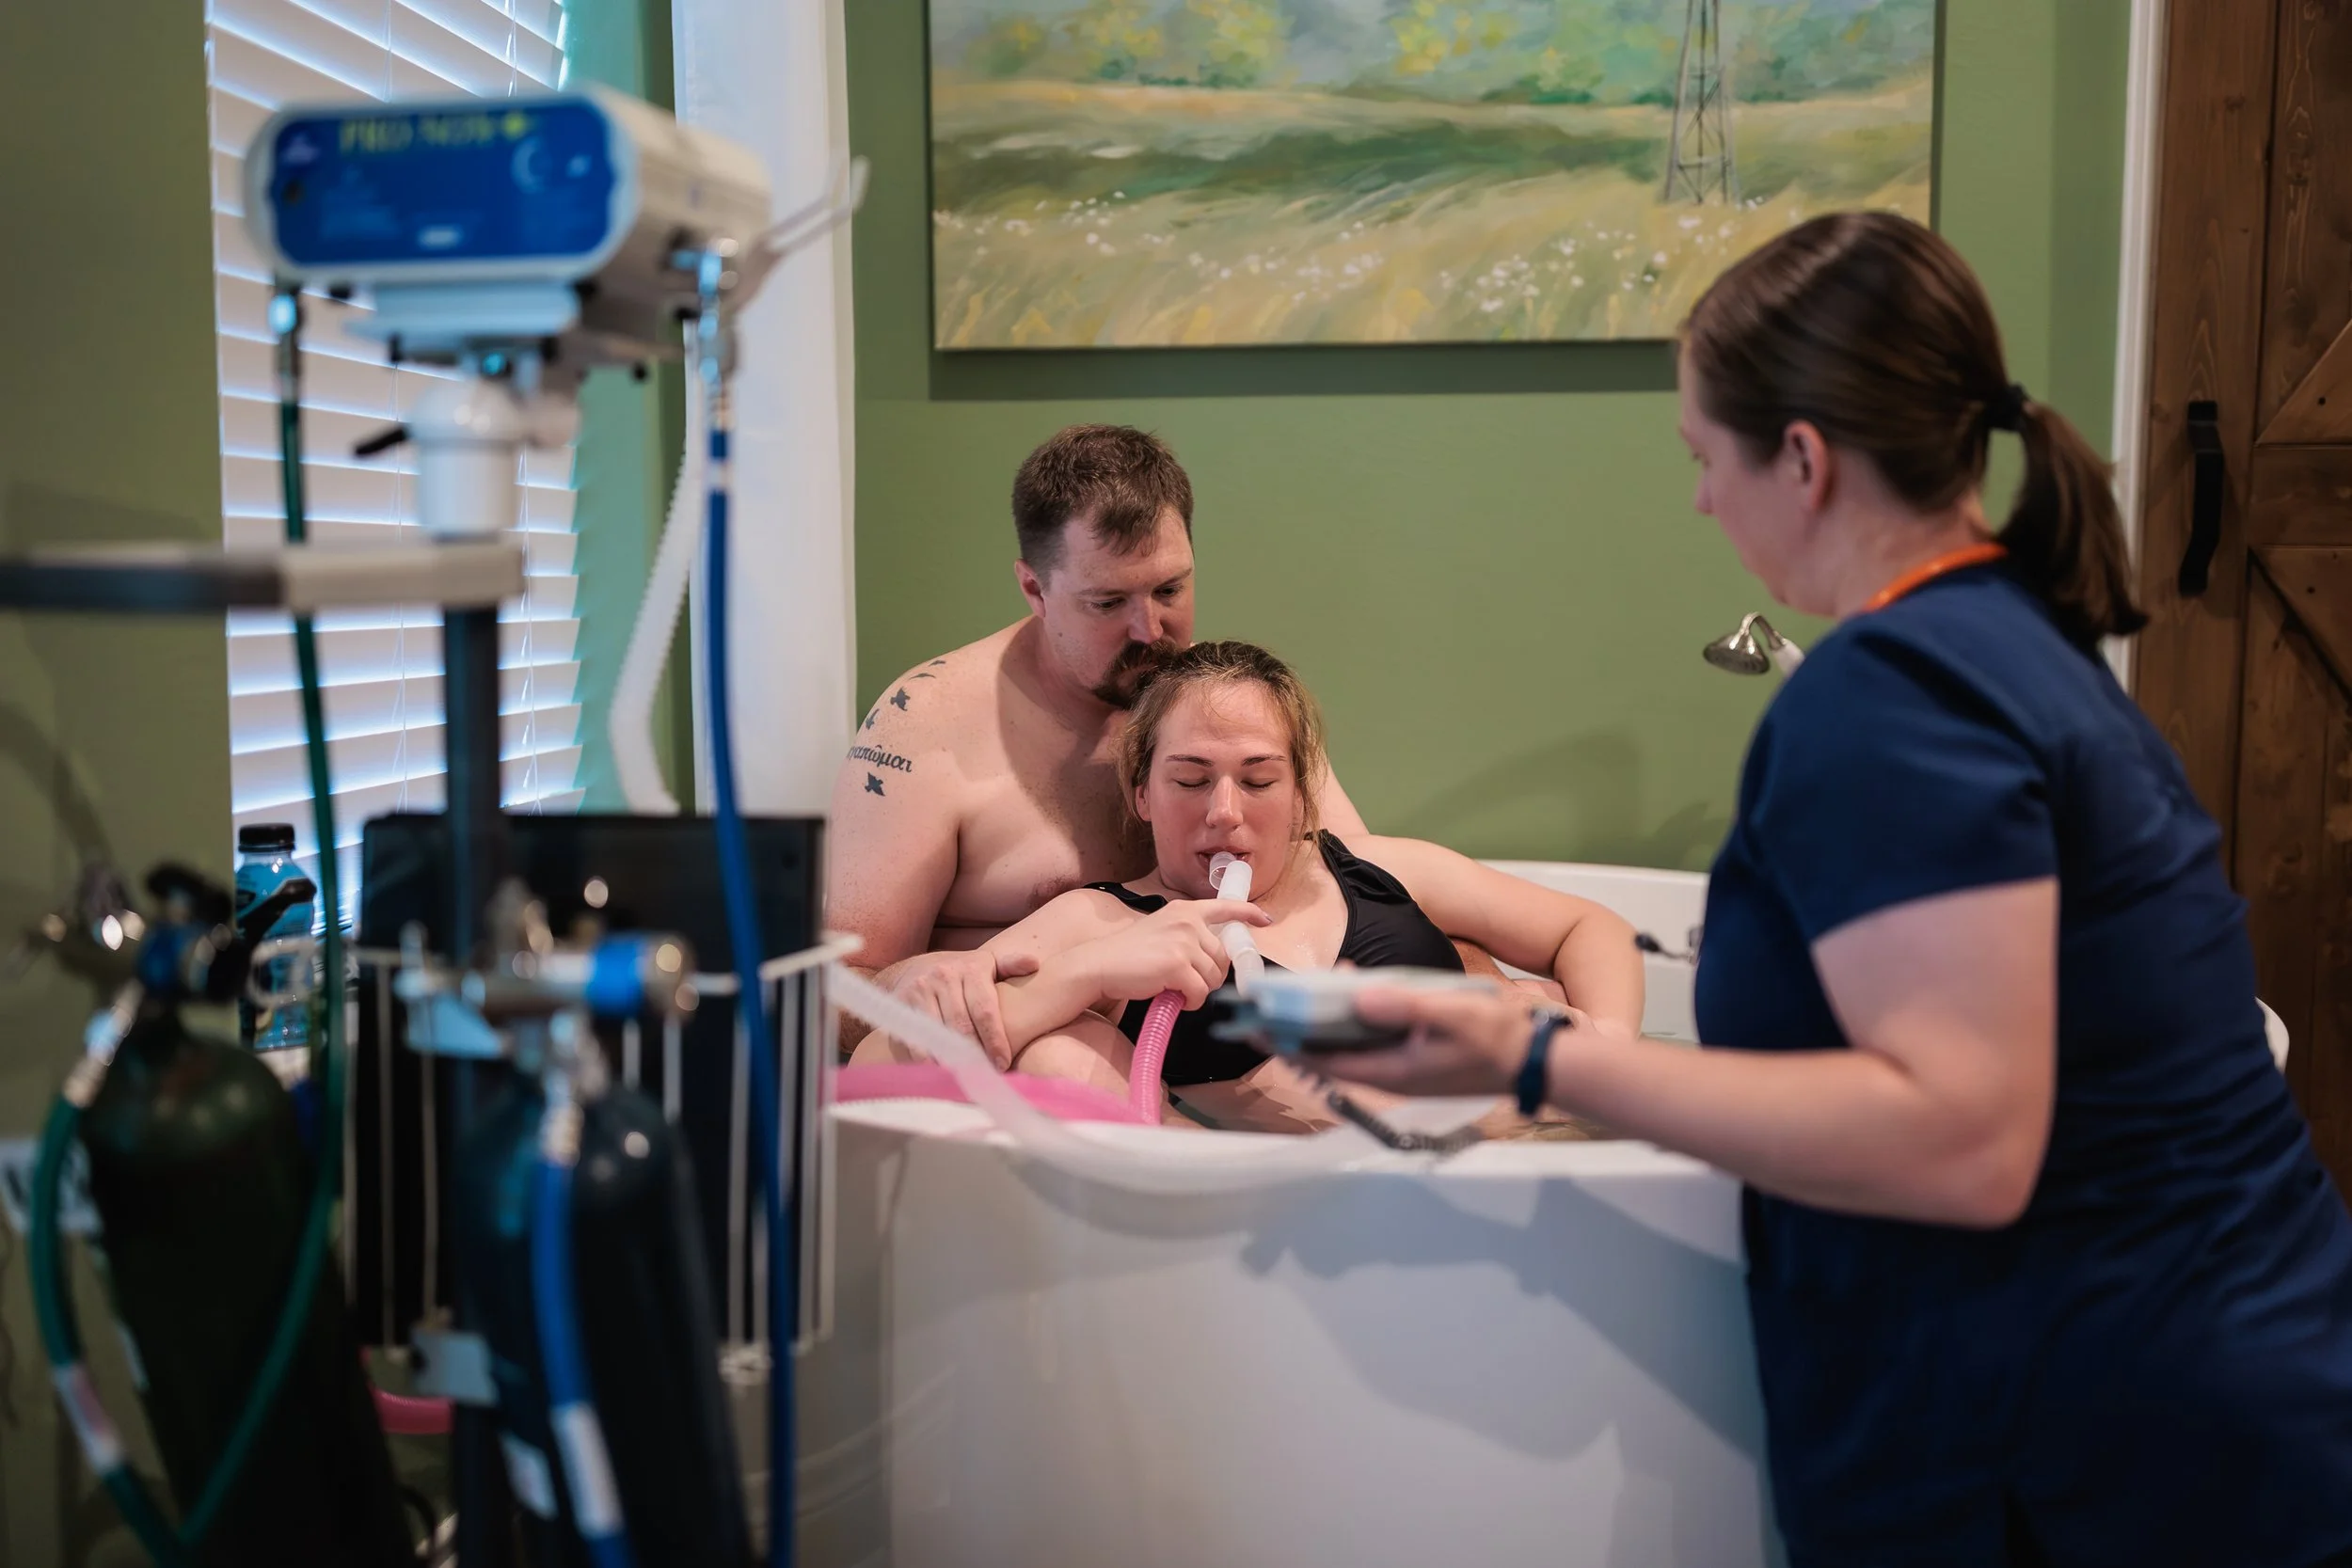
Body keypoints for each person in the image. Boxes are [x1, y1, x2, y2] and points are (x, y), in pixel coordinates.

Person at [1319, 212, 2352, 1566]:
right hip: (2219, 1397)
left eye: (1705, 457)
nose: (1699, 500)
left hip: (2111, 1447)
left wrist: (1535, 1053)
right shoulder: (2013, 644)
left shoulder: (1893, 696)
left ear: (1802, 458)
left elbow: (1962, 1136)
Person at [852, 641, 1643, 1132]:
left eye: (1258, 780)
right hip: (1324, 1212)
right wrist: (1086, 974)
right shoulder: (1100, 919)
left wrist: (1608, 1048)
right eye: (1190, 780)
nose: (1224, 814)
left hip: (1562, 1146)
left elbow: (1590, 928)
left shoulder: (1374, 869)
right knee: (1058, 1052)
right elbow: (877, 1066)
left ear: (1302, 789)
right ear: (1141, 794)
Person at [824, 423, 1387, 1061]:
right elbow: (836, 991)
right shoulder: (925, 728)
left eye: (1170, 589)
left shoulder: (1231, 708)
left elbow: (1373, 891)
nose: (1150, 629)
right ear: (1034, 588)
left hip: (1245, 1061)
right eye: (1108, 602)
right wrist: (915, 984)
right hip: (1038, 1074)